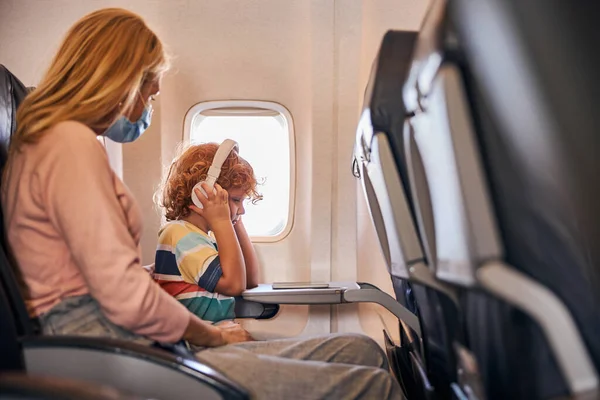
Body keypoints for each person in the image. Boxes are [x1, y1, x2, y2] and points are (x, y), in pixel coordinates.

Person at [1, 8, 403, 399]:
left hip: (133, 339)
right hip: (111, 349)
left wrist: (150, 277)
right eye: (150, 94)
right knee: (375, 385)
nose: (148, 109)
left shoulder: (54, 144)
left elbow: (92, 272)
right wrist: (209, 334)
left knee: (361, 349)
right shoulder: (68, 144)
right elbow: (120, 296)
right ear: (121, 82)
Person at [154, 143, 261, 323]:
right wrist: (223, 220)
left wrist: (235, 221)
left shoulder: (205, 239)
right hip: (198, 344)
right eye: (236, 200)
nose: (242, 210)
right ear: (203, 192)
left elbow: (250, 279)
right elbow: (235, 285)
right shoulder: (180, 236)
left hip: (219, 335)